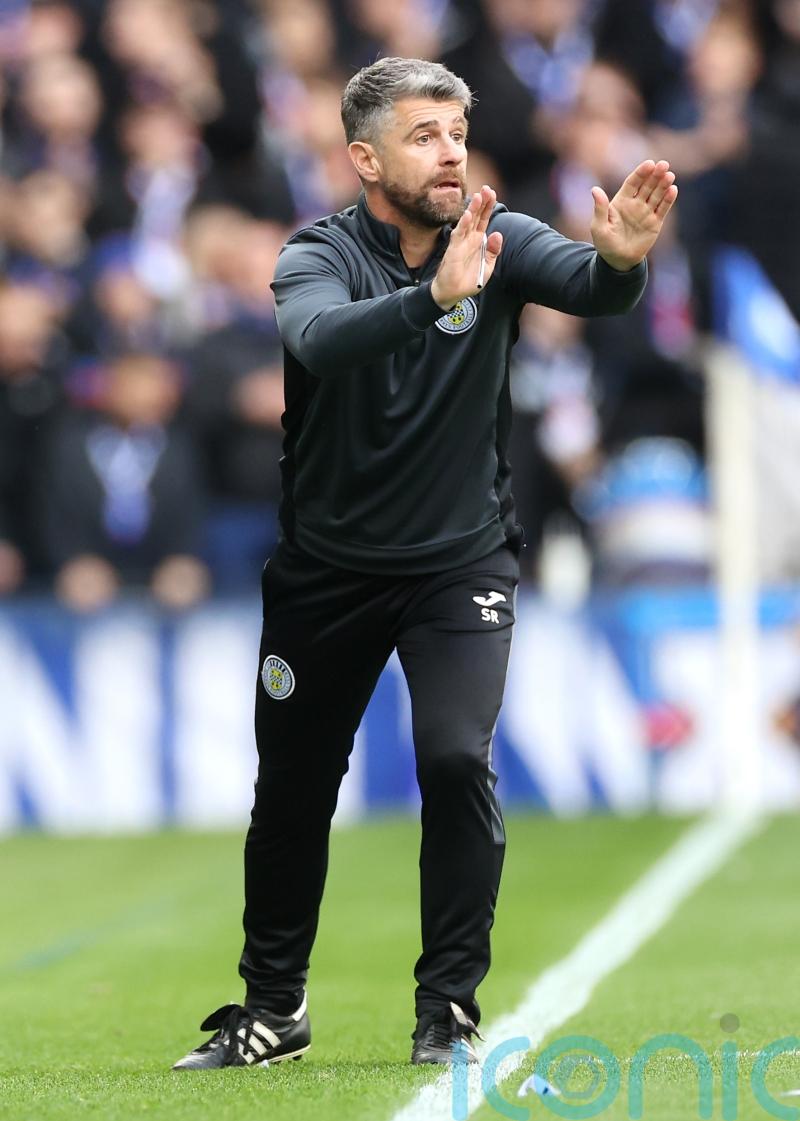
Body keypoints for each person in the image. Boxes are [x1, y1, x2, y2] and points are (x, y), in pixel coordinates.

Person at [172, 56, 677, 1071]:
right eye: (422, 134)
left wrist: (619, 263)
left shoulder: (497, 235)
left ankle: (446, 1006)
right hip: (326, 570)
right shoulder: (313, 253)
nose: (448, 150)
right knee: (294, 787)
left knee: (454, 757)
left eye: (455, 130)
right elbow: (318, 342)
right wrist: (429, 298)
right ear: (363, 157)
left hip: (459, 562)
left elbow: (590, 287)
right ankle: (274, 1006)